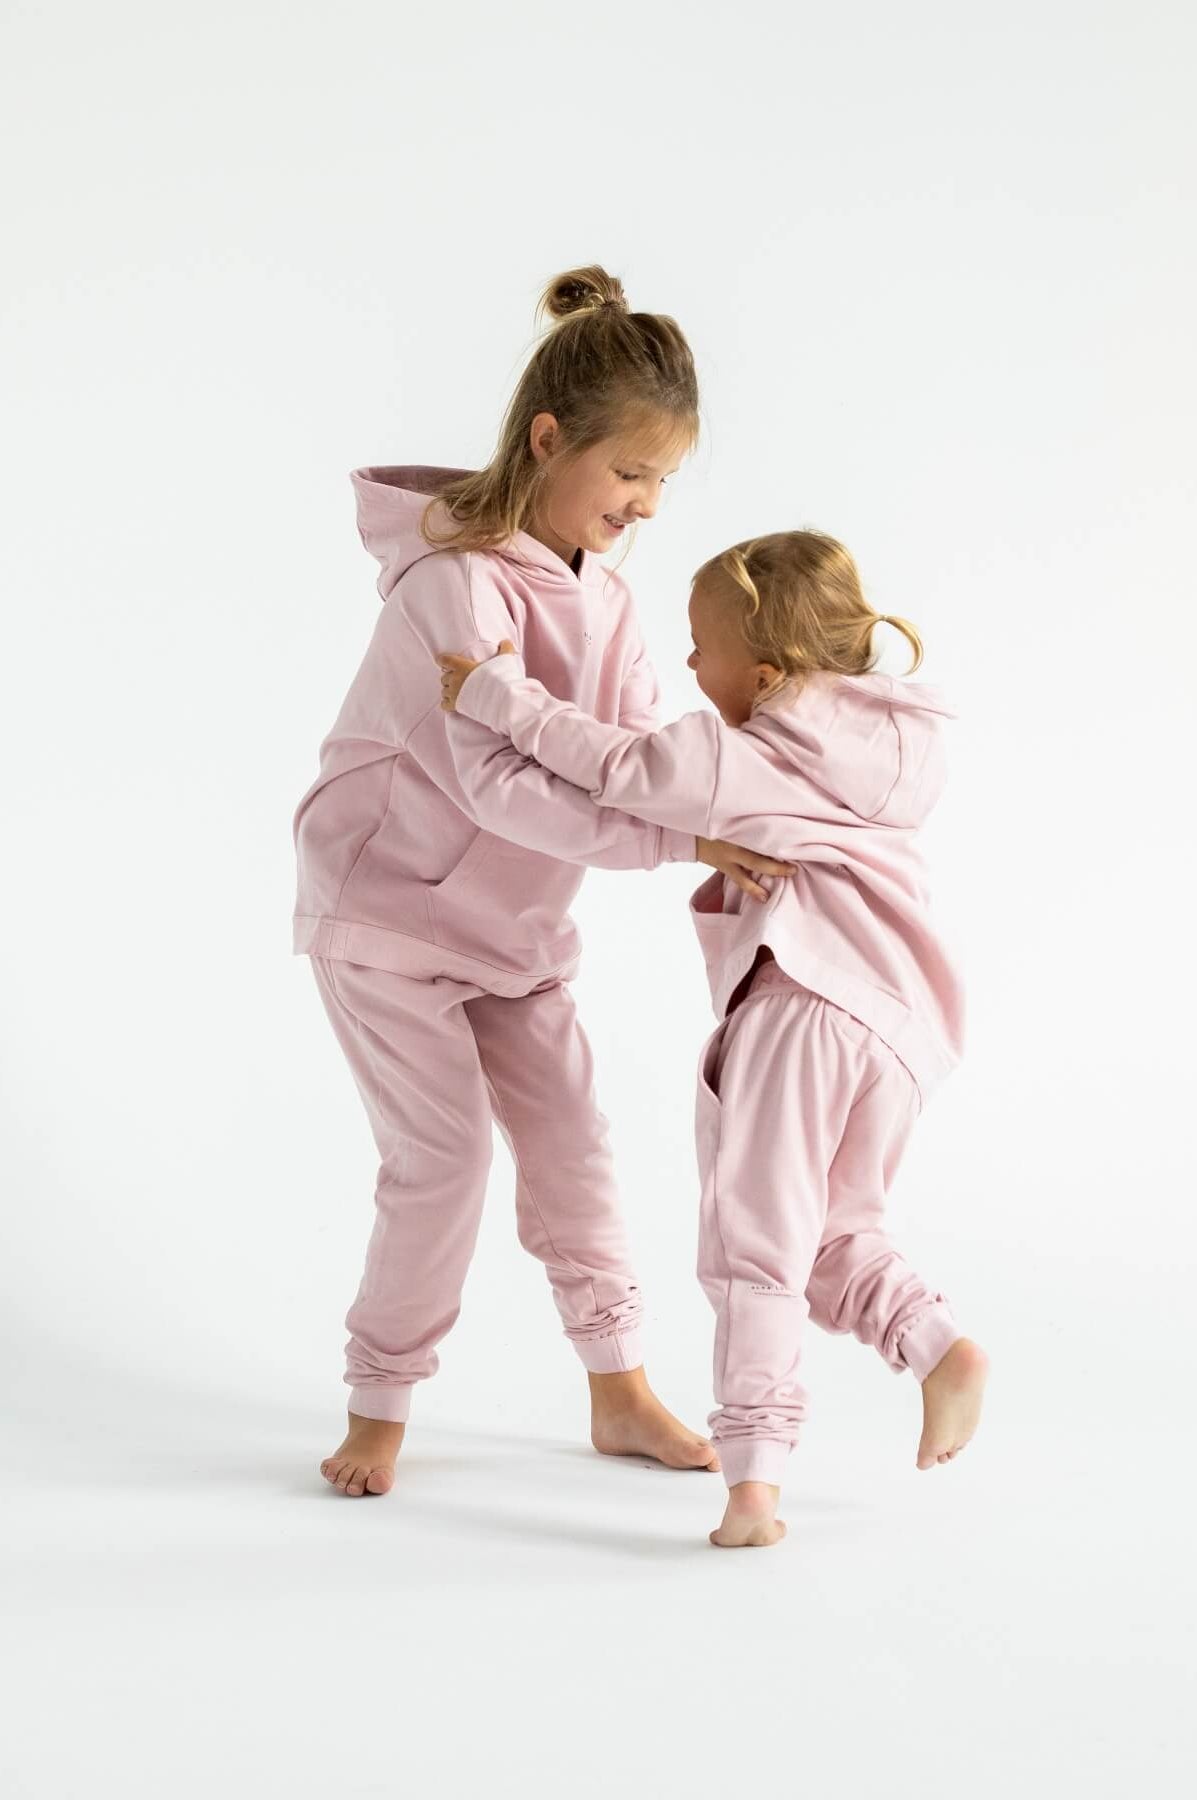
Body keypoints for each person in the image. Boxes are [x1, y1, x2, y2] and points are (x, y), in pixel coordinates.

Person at [292, 265, 791, 1497]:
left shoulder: (607, 601)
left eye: (665, 480)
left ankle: (618, 1389)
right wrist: (682, 845)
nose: (648, 503)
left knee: (575, 1149)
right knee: (444, 1158)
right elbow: (499, 789)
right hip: (388, 919)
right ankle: (380, 1400)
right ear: (549, 437)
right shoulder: (454, 584)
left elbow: (638, 758)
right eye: (632, 472)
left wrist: (755, 794)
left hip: (514, 932)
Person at [438, 528, 989, 1546]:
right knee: (829, 1238)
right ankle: (934, 1342)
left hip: (806, 1002)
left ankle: (753, 1485)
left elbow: (620, 766)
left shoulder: (757, 754)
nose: (688, 661)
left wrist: (494, 693)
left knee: (752, 1245)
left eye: (702, 645)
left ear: (769, 675)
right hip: (900, 1028)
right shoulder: (886, 746)